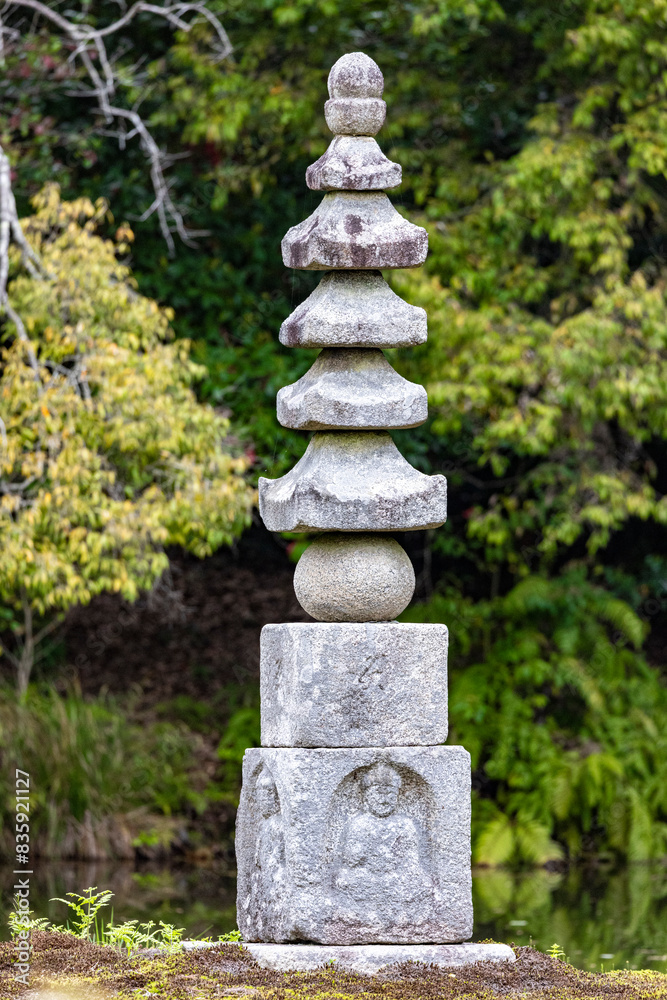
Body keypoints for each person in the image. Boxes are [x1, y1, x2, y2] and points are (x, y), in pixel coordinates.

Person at [334, 762, 433, 913]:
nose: (384, 799)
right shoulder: (359, 824)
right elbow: (350, 861)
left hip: (396, 875)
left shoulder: (404, 824)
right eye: (378, 793)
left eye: (390, 794)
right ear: (366, 797)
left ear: (397, 797)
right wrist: (360, 853)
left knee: (420, 882)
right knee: (347, 879)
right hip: (367, 875)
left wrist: (393, 862)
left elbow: (411, 861)